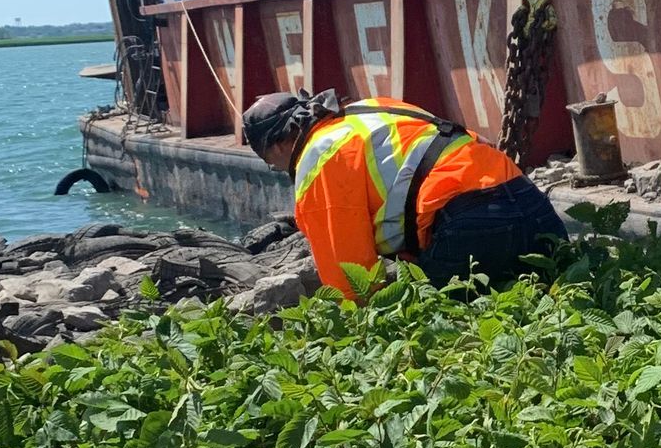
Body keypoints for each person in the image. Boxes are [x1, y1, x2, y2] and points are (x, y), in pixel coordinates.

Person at [240, 89, 564, 298]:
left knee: (449, 331)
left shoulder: (317, 160)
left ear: (278, 146)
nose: (281, 170)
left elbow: (353, 281)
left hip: (471, 228)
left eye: (272, 164)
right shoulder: (372, 109)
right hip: (532, 205)